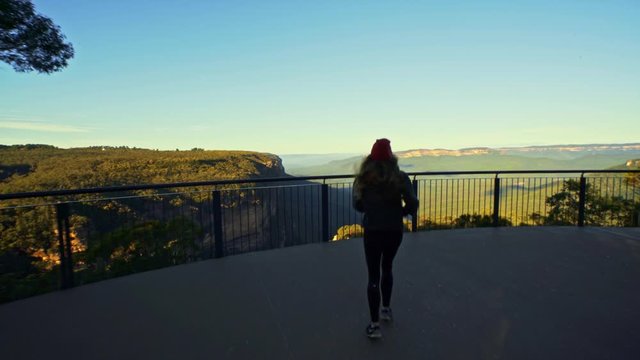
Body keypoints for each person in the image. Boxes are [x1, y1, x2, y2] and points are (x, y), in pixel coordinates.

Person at [353, 138, 419, 339]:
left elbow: (357, 204)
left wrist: (371, 210)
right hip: (393, 230)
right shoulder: (400, 178)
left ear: (371, 157)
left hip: (373, 230)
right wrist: (401, 212)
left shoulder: (363, 179)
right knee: (387, 267)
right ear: (391, 157)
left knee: (373, 275)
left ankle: (374, 326)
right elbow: (412, 204)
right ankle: (386, 310)